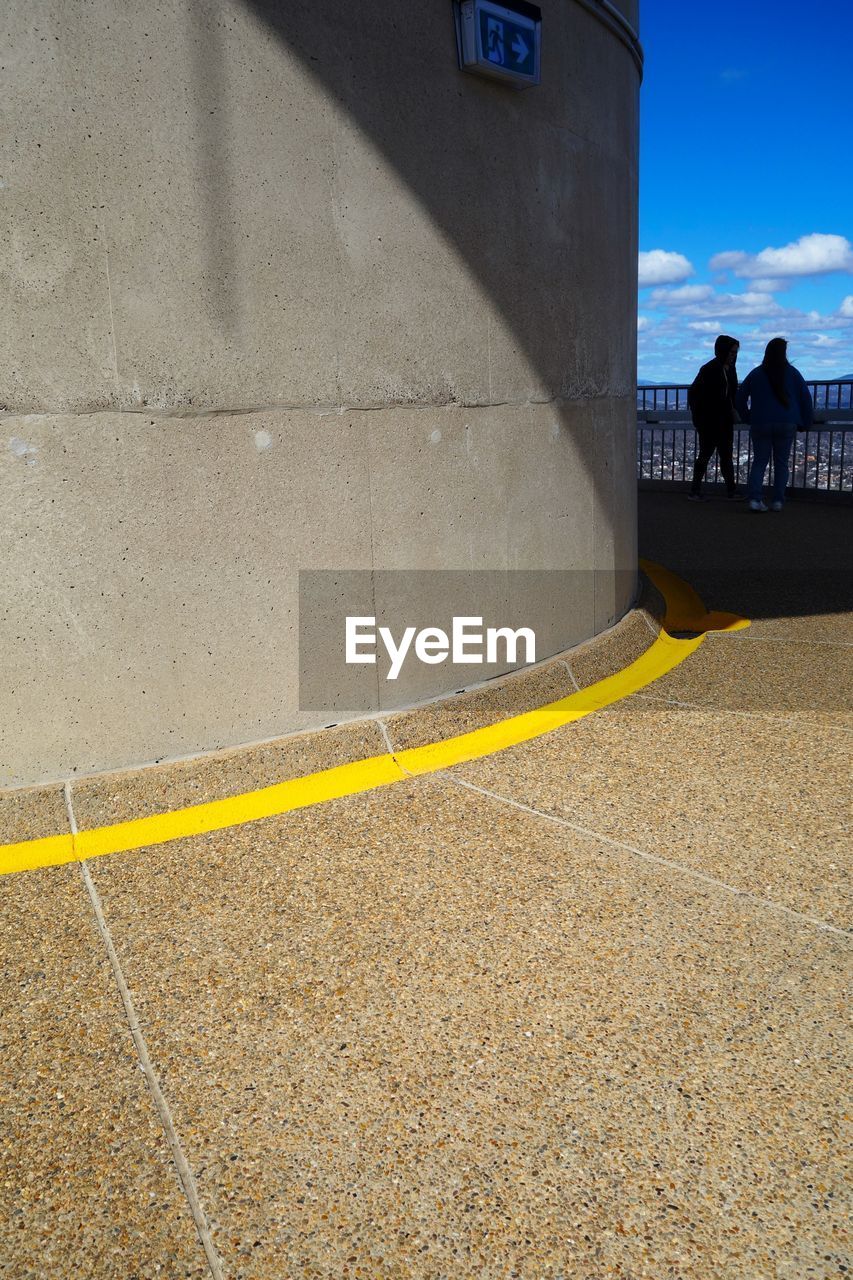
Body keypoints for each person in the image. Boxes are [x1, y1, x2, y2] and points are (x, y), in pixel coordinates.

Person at [736, 338, 813, 512]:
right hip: (787, 423)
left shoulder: (756, 373)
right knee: (781, 463)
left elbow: (740, 398)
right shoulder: (793, 373)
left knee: (759, 462)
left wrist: (748, 416)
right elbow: (806, 399)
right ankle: (778, 500)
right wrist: (805, 422)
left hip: (760, 422)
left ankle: (755, 499)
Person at [687, 334, 741, 501]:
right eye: (731, 352)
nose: (734, 356)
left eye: (735, 353)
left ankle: (729, 491)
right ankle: (698, 491)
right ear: (724, 351)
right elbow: (696, 395)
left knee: (723, 456)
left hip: (721, 421)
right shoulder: (710, 369)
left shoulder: (726, 369)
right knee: (708, 455)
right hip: (710, 422)